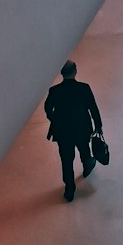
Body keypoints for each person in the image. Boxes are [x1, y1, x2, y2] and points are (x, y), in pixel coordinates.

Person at [44, 60, 103, 201]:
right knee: (84, 150)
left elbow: (47, 109)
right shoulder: (84, 88)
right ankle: (87, 167)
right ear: (75, 71)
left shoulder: (54, 90)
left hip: (63, 132)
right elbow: (92, 108)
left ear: (61, 73)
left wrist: (55, 120)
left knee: (66, 159)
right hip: (82, 128)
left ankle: (69, 189)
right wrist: (98, 125)